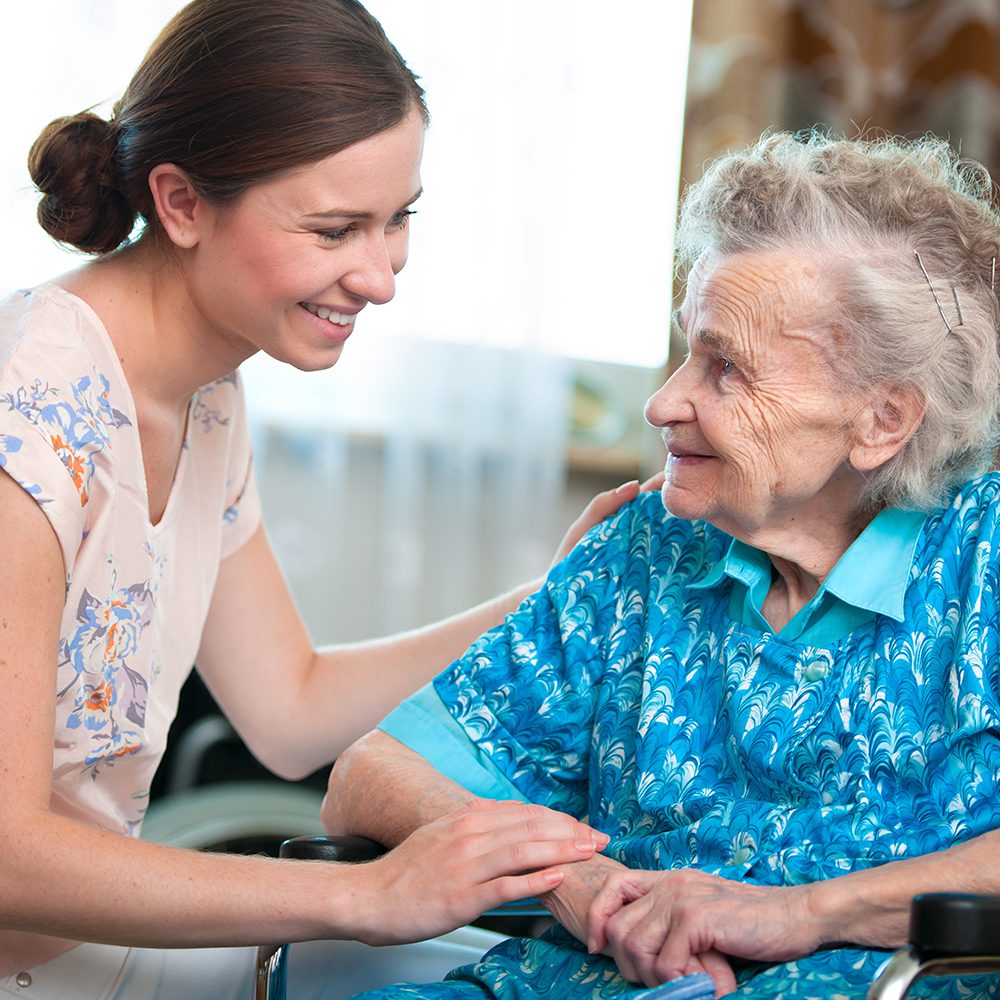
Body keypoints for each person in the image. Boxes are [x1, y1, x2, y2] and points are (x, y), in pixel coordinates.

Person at [0, 0, 649, 996]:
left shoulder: (206, 391)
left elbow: (290, 708)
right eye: (335, 228)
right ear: (180, 203)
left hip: (82, 965)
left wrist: (555, 593)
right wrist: (369, 893)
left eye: (399, 220)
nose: (381, 275)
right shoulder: (32, 411)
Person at [323, 130, 1000, 1000]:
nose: (664, 401)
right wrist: (575, 881)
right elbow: (368, 779)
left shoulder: (981, 556)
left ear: (882, 421)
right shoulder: (648, 546)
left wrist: (801, 913)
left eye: (726, 369)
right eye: (687, 350)